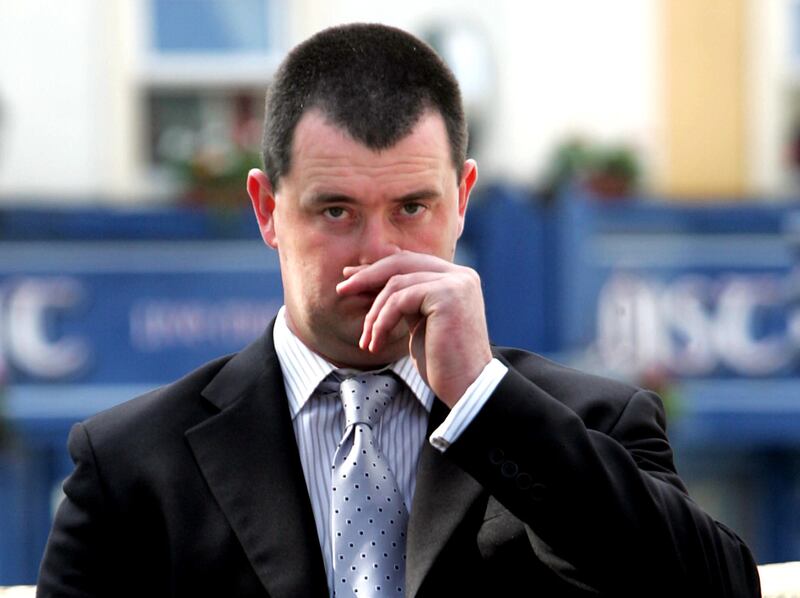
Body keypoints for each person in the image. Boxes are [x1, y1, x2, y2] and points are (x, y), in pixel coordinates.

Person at [37, 23, 760, 598]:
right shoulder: (131, 464)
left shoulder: (592, 422)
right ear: (266, 209)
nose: (376, 254)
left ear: (463, 199)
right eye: (336, 211)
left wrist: (483, 399)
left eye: (412, 207)